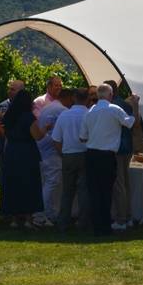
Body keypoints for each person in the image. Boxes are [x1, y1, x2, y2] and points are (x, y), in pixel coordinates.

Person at [81, 84, 138, 236]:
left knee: (95, 192)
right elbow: (131, 123)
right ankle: (105, 226)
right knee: (106, 192)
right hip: (107, 155)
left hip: (91, 154)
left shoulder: (89, 112)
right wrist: (135, 106)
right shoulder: (114, 109)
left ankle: (97, 225)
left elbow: (82, 137)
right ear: (111, 95)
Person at [0, 90, 44, 228]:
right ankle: (28, 219)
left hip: (11, 151)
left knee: (13, 184)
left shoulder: (9, 116)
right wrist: (45, 129)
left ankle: (13, 218)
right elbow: (37, 135)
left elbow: (4, 132)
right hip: (26, 152)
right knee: (29, 184)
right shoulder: (28, 117)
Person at [30, 88, 73, 226]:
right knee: (52, 183)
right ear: (67, 98)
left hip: (42, 150)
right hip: (52, 151)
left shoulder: (49, 107)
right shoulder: (63, 111)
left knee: (47, 182)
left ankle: (46, 212)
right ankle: (43, 213)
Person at [52, 87, 91, 231]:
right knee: (84, 191)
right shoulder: (89, 114)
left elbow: (56, 139)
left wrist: (62, 153)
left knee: (67, 192)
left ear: (74, 98)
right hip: (85, 154)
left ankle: (63, 222)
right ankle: (83, 222)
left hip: (68, 155)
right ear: (87, 99)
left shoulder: (64, 115)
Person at [105, 80, 137, 231]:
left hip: (117, 148)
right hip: (128, 146)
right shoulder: (126, 105)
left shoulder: (111, 107)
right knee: (125, 183)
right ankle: (129, 216)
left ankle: (121, 219)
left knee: (118, 185)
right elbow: (135, 124)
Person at [0, 80, 25, 167]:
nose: (9, 92)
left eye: (13, 89)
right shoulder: (2, 106)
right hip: (4, 147)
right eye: (9, 89)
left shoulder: (27, 108)